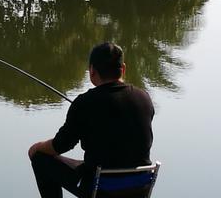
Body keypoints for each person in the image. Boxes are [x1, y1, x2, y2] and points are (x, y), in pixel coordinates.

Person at [28, 42, 155, 198]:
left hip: (101, 189)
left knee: (40, 158)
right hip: (138, 187)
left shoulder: (84, 103)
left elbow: (59, 145)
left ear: (92, 71)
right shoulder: (144, 98)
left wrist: (37, 147)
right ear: (123, 69)